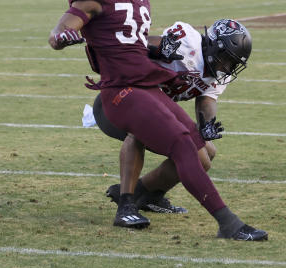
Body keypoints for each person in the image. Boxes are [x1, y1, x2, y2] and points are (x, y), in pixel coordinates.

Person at [48, 0, 266, 240]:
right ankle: (228, 224)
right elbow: (63, 27)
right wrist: (61, 36)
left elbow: (133, 43)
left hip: (145, 83)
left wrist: (154, 49)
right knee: (180, 143)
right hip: (121, 88)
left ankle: (134, 200)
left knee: (199, 149)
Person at [95, 19, 253, 218]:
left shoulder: (218, 72)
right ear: (214, 47)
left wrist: (207, 125)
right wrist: (157, 48)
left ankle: (148, 195)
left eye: (233, 64)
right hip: (120, 100)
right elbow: (134, 46)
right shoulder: (188, 42)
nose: (227, 68)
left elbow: (207, 99)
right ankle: (127, 200)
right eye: (227, 60)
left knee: (206, 154)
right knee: (140, 131)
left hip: (153, 110)